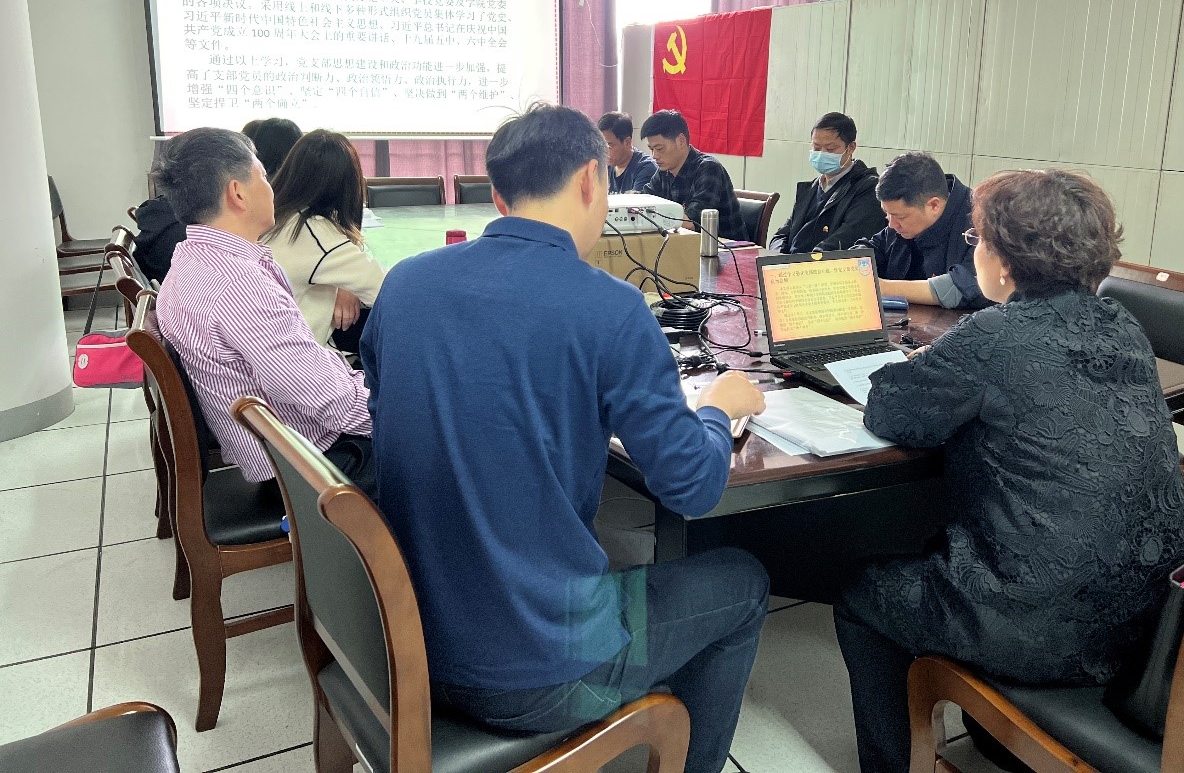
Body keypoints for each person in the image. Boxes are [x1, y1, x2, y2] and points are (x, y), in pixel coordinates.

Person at [361, 103, 770, 773]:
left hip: (404, 638)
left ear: (498, 197)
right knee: (742, 580)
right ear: (590, 180)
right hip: (536, 674)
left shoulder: (405, 284)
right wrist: (718, 410)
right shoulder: (611, 309)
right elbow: (693, 489)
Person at [834, 169, 1184, 773]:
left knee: (861, 593)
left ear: (1003, 261)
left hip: (1041, 626)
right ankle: (994, 736)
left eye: (977, 241)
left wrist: (927, 363)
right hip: (1144, 620)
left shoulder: (996, 334)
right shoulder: (1123, 325)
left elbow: (892, 409)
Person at [153, 128, 376, 496]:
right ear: (237, 193)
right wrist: (401, 412)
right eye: (262, 175)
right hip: (309, 469)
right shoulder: (239, 287)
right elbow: (329, 402)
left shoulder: (190, 260)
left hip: (284, 450)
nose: (272, 187)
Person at [262, 129, 385, 355]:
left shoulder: (276, 217)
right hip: (301, 361)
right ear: (347, 185)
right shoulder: (314, 232)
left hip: (265, 352)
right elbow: (385, 289)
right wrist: (350, 283)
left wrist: (344, 285)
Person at [855, 152, 989, 309]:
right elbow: (874, 248)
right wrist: (850, 265)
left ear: (934, 205)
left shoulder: (983, 222)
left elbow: (962, 288)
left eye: (900, 217)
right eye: (887, 214)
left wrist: (880, 287)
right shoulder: (901, 219)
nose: (891, 225)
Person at [768, 112, 886, 254]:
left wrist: (806, 261)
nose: (821, 154)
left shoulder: (868, 187)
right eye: (816, 148)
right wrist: (778, 257)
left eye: (830, 149)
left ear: (851, 147)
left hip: (824, 265)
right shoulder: (810, 188)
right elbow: (782, 235)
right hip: (792, 264)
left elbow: (849, 237)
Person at [641, 110, 745, 242]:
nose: (654, 156)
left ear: (681, 141)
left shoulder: (708, 168)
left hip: (726, 249)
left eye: (659, 148)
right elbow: (643, 200)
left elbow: (691, 223)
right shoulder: (664, 171)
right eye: (651, 149)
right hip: (685, 245)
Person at [598, 111, 656, 194]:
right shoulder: (604, 166)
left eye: (609, 146)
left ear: (627, 142)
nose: (604, 151)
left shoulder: (646, 168)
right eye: (601, 146)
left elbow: (637, 202)